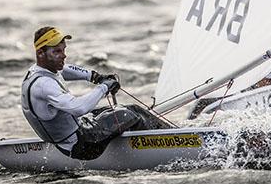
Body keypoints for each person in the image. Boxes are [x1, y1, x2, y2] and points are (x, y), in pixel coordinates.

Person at [21, 26, 170, 160]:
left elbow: (64, 70)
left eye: (64, 50)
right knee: (128, 114)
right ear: (40, 53)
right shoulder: (43, 86)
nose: (64, 56)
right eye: (57, 52)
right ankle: (171, 142)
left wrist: (94, 77)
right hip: (83, 145)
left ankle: (166, 134)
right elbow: (78, 108)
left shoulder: (38, 71)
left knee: (131, 108)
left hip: (74, 134)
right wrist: (104, 87)